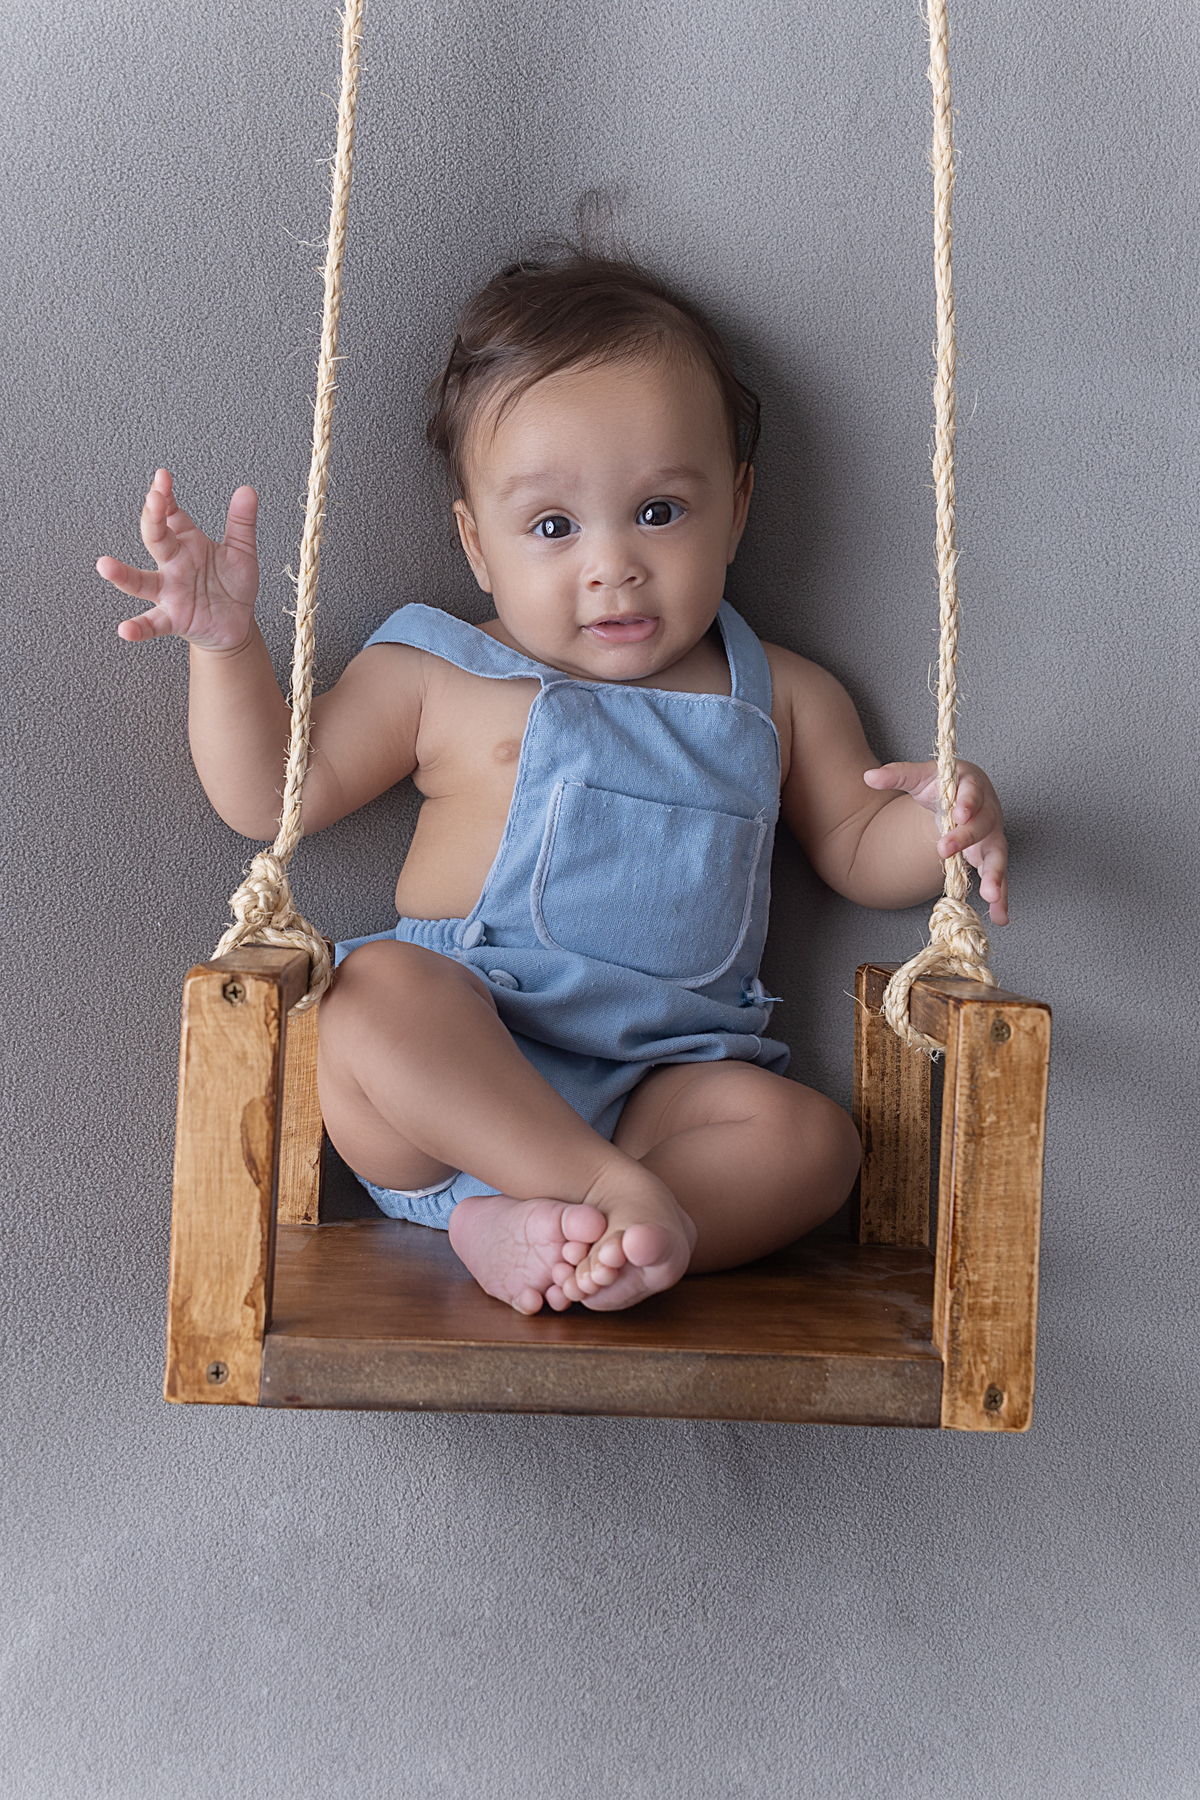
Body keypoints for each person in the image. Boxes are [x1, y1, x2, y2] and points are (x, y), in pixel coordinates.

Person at [98, 253, 1008, 1318]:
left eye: (660, 512)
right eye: (553, 528)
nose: (612, 564)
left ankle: (556, 1235)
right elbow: (269, 799)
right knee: (373, 995)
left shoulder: (782, 696)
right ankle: (606, 1204)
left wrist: (943, 819)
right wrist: (222, 644)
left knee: (814, 1142)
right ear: (476, 546)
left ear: (740, 506)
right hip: (449, 1089)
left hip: (661, 1091)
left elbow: (858, 845)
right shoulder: (439, 673)